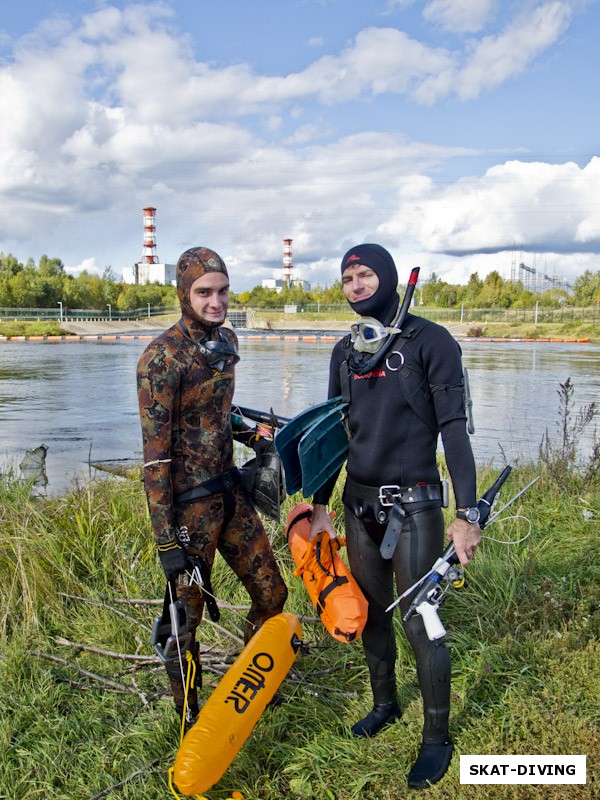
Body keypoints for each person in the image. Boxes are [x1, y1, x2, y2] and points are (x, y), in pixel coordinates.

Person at [308, 243, 480, 789]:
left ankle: (437, 740)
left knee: (419, 620)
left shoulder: (432, 342)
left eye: (364, 275)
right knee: (371, 612)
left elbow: (454, 429)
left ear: (386, 277)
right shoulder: (346, 351)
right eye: (347, 278)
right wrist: (318, 506)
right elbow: (333, 435)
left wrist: (466, 514)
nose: (356, 285)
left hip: (416, 505)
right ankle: (385, 704)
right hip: (357, 505)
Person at [137, 246, 288, 727]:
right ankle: (190, 722)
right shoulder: (161, 359)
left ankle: (253, 688)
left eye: (222, 291)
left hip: (230, 495)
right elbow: (155, 458)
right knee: (184, 623)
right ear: (184, 293)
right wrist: (166, 541)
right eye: (204, 292)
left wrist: (256, 436)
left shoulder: (225, 340)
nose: (216, 301)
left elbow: (220, 416)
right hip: (187, 512)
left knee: (272, 596)